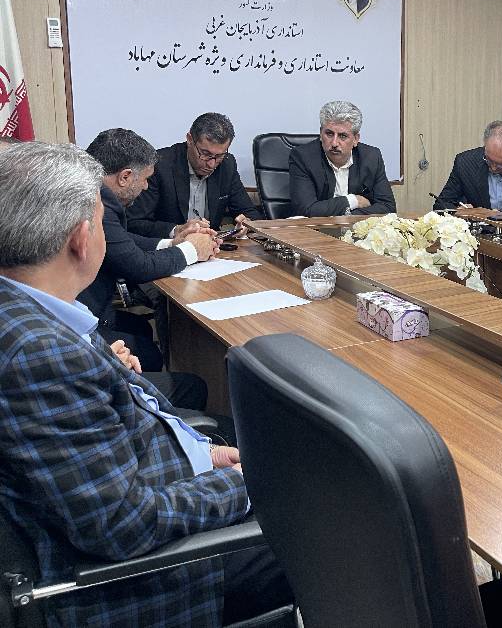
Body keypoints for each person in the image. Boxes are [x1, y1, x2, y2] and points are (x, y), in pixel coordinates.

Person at [0, 141, 291, 625]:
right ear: (82, 239)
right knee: (334, 524)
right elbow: (122, 525)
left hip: (153, 488)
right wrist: (240, 485)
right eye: (103, 222)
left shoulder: (33, 310)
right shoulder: (40, 355)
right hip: (143, 580)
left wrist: (205, 455)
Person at [78, 129, 217, 389]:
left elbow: (120, 240)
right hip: (82, 321)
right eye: (145, 180)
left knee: (141, 329)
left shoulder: (84, 185)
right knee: (153, 356)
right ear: (125, 177)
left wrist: (173, 243)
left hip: (89, 307)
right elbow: (138, 267)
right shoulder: (95, 200)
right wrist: (192, 250)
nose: (145, 187)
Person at [127, 112, 263, 237]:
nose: (212, 164)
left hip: (212, 248)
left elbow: (250, 212)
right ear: (190, 139)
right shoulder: (159, 165)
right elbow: (135, 223)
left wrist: (246, 223)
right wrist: (177, 230)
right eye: (205, 154)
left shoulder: (227, 165)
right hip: (168, 248)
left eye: (220, 156)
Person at [289, 100, 396, 217]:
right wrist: (353, 200)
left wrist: (348, 215)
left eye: (343, 136)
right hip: (317, 227)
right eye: (329, 134)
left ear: (355, 139)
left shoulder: (371, 157)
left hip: (355, 226)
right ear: (320, 133)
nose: (334, 143)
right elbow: (306, 210)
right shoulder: (303, 157)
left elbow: (388, 207)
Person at [433, 121, 502, 212]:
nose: (494, 168)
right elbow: (441, 204)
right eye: (489, 160)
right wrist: (459, 211)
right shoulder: (465, 162)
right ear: (485, 146)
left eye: (501, 164)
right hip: (480, 228)